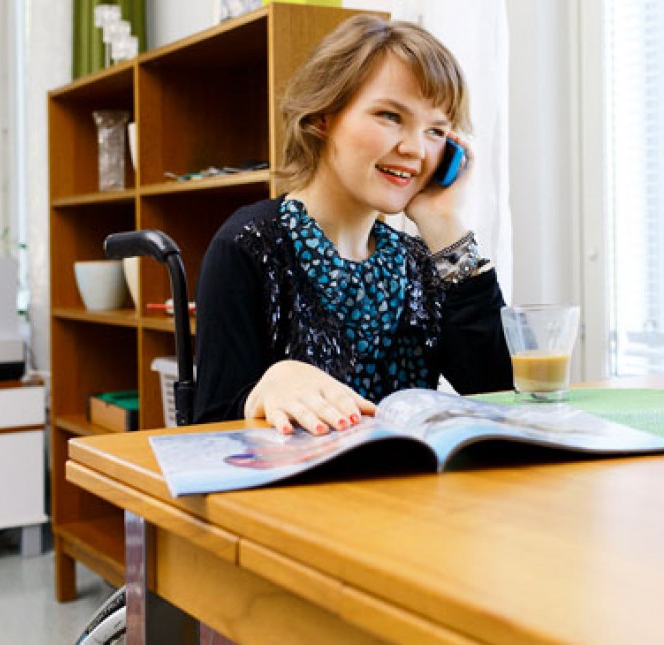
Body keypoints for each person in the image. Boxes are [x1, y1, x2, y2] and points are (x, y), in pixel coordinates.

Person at [193, 15, 513, 434]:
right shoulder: (250, 245)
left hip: (408, 492)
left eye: (436, 130)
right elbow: (208, 429)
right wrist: (266, 390)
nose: (415, 149)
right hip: (297, 497)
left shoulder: (420, 261)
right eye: (390, 116)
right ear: (324, 116)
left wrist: (445, 226)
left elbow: (499, 395)